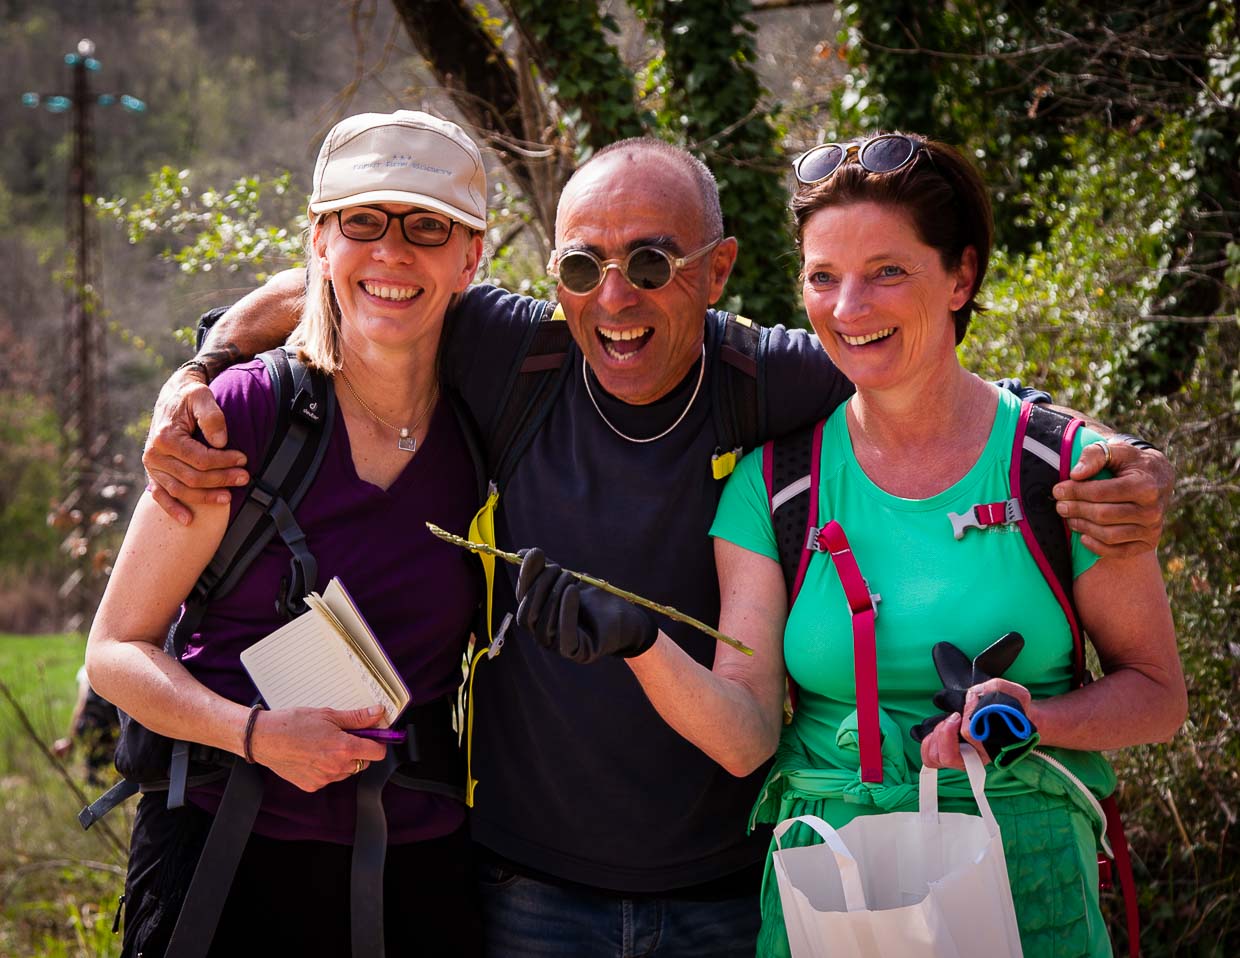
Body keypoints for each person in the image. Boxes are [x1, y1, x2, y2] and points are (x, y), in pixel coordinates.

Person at [139, 137, 1175, 957]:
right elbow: (361, 279)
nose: (613, 296)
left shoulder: (771, 379)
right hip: (522, 886)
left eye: (648, 262)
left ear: (717, 270)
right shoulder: (518, 354)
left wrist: (1106, 453)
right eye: (583, 265)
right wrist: (208, 362)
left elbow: (918, 370)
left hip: (734, 883)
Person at [514, 133, 1187, 958]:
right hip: (830, 891)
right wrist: (641, 641)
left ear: (962, 277)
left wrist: (1033, 720)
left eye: (888, 272)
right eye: (823, 277)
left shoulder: (1067, 470)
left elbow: (1158, 697)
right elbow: (745, 737)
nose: (848, 308)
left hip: (1026, 879)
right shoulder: (775, 486)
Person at [86, 110, 486, 957]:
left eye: (428, 226)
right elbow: (115, 649)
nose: (392, 251)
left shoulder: (492, 417)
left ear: (471, 257)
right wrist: (254, 734)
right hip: (223, 850)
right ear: (319, 240)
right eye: (363, 222)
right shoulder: (248, 413)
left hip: (415, 861)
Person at [52, 664, 120, 786]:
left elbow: (82, 705)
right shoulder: (114, 666)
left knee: (94, 777)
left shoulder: (87, 670)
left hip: (93, 730)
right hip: (115, 730)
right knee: (115, 775)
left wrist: (70, 740)